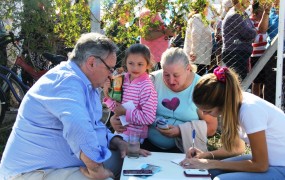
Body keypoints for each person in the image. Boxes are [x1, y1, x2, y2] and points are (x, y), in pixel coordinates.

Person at [0, 33, 150, 180]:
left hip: (61, 166)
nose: (111, 75)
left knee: (133, 164)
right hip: (31, 172)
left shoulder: (85, 83)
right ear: (91, 63)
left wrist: (117, 141)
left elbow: (94, 126)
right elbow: (78, 125)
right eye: (109, 69)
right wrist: (96, 169)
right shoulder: (66, 82)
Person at [180, 66, 285, 179]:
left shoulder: (249, 110)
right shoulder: (234, 104)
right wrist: (205, 156)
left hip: (279, 166)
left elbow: (260, 165)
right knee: (209, 171)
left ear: (221, 103)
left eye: (208, 111)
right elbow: (237, 149)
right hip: (269, 162)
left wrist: (211, 163)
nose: (204, 114)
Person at [110, 47, 217, 153]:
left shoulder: (200, 88)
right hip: (146, 144)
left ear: (188, 69)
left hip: (184, 149)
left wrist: (180, 131)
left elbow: (212, 127)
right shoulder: (151, 80)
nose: (171, 80)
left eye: (176, 75)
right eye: (166, 74)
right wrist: (115, 120)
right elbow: (128, 106)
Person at [103, 43, 158, 143]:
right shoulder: (122, 79)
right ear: (125, 63)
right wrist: (108, 97)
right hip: (119, 133)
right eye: (131, 63)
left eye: (140, 64)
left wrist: (125, 112)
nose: (135, 68)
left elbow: (149, 118)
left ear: (148, 65)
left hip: (134, 139)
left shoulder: (146, 87)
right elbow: (117, 109)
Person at [222, 0, 256, 81]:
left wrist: (253, 31)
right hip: (235, 54)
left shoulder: (242, 14)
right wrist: (254, 32)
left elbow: (251, 29)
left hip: (239, 53)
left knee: (240, 80)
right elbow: (247, 33)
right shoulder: (235, 15)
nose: (249, 1)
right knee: (238, 81)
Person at [139, 0, 174, 69]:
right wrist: (165, 32)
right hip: (153, 58)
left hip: (159, 57)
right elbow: (147, 35)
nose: (165, 3)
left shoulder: (156, 13)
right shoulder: (148, 12)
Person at [258, 0, 281, 105]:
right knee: (270, 84)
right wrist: (266, 13)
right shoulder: (270, 11)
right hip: (271, 52)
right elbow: (262, 30)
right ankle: (270, 107)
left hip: (283, 51)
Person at [183, 0, 213, 76]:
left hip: (200, 56)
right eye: (206, 7)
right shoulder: (197, 18)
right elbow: (195, 34)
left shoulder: (202, 19)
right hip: (196, 57)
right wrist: (194, 51)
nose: (208, 9)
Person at [249, 2, 268, 98]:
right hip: (255, 55)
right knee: (256, 81)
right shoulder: (250, 21)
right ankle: (255, 99)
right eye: (261, 10)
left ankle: (264, 101)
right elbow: (256, 38)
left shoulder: (265, 20)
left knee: (265, 81)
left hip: (265, 53)